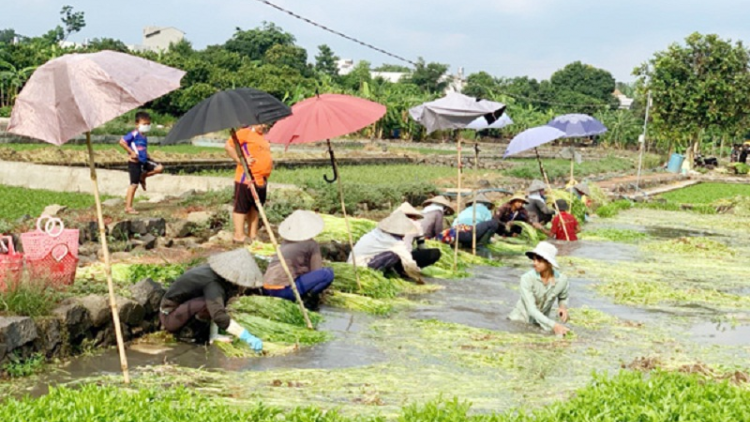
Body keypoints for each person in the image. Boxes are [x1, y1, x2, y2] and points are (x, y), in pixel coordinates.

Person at [159, 248, 263, 350]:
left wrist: (214, 335)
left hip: (183, 308)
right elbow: (218, 316)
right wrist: (246, 336)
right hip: (169, 317)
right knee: (210, 304)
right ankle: (188, 333)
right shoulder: (212, 283)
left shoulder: (211, 271)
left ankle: (209, 334)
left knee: (215, 302)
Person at [262, 210, 334, 309]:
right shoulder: (311, 244)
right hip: (283, 291)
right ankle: (308, 298)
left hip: (267, 287)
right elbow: (317, 271)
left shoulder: (285, 242)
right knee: (328, 273)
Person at [508, 242, 570, 337]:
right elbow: (531, 309)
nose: (535, 263)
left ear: (549, 263)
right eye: (534, 259)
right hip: (519, 322)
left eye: (539, 260)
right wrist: (554, 325)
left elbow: (563, 297)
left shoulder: (562, 280)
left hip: (540, 323)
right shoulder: (527, 279)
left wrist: (563, 307)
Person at [225, 124, 273, 243]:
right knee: (242, 206)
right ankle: (239, 235)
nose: (263, 126)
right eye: (260, 123)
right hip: (246, 177)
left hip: (261, 178)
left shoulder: (263, 136)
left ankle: (253, 234)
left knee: (256, 206)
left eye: (265, 124)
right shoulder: (244, 133)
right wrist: (240, 159)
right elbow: (228, 146)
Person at [349, 210, 424, 284]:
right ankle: (372, 274)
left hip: (352, 262)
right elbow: (409, 263)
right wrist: (418, 277)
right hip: (361, 267)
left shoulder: (376, 232)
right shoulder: (394, 242)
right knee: (393, 255)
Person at [119, 111, 163, 215]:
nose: (146, 126)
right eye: (144, 124)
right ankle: (128, 207)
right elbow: (122, 142)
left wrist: (148, 156)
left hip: (144, 160)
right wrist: (131, 152)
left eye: (148, 124)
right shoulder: (134, 134)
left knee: (159, 168)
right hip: (135, 162)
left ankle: (143, 176)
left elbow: (143, 148)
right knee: (134, 185)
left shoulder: (144, 136)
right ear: (137, 124)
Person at [396, 202, 441, 269]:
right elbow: (421, 246)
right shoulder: (416, 224)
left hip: (388, 257)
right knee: (435, 253)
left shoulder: (391, 223)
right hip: (403, 257)